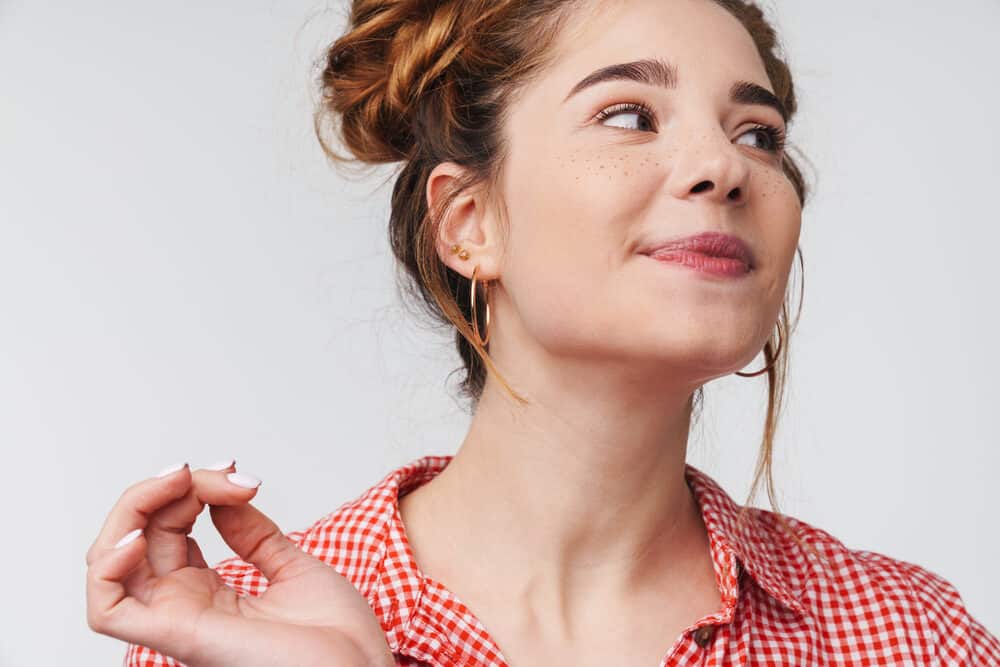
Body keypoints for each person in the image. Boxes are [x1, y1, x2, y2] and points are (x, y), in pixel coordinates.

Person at [85, 0, 1000, 665]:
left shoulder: (914, 635)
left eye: (757, 133)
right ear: (470, 220)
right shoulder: (233, 636)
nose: (724, 165)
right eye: (629, 114)